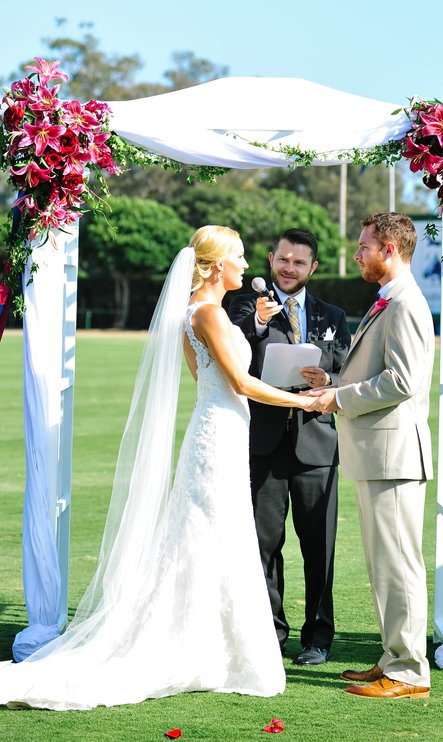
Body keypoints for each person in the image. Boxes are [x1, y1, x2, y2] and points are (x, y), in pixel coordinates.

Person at [0, 225, 320, 711]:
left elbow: (209, 377)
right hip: (219, 430)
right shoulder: (209, 314)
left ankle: (212, 644)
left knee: (212, 534)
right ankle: (206, 647)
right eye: (237, 256)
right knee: (208, 532)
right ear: (215, 267)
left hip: (218, 428)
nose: (246, 264)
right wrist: (311, 402)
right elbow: (242, 383)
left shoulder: (196, 314)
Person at [305, 213, 434, 699]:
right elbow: (377, 373)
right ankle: (391, 659)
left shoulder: (406, 304)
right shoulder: (390, 300)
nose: (357, 254)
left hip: (394, 456)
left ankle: (407, 672)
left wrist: (338, 398)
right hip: (377, 455)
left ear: (390, 250)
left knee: (399, 565)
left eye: (364, 247)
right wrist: (334, 383)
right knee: (386, 565)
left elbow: (402, 381)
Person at [228, 229, 351, 666]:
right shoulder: (243, 305)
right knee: (263, 545)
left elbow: (346, 372)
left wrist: (329, 382)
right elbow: (236, 348)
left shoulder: (332, 313)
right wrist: (260, 321)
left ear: (313, 267)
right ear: (270, 259)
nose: (289, 268)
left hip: (317, 444)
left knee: (319, 547)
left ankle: (318, 637)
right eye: (283, 259)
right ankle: (270, 634)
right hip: (262, 444)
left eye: (299, 262)